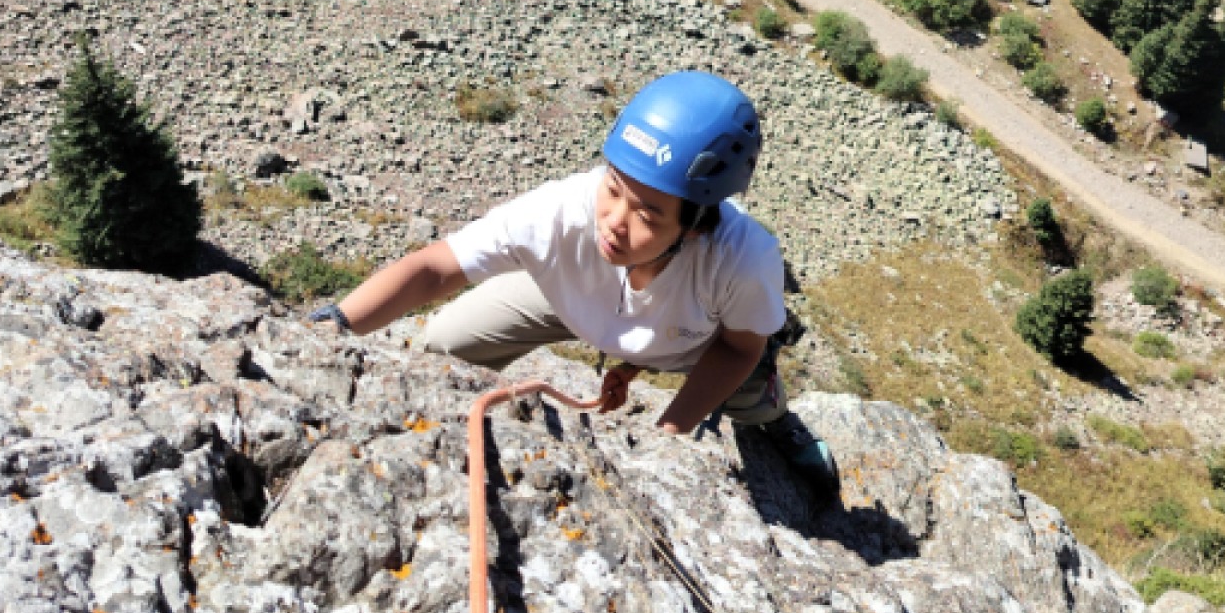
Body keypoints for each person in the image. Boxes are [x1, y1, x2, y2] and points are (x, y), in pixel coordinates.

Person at [308, 71, 839, 493]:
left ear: (697, 224)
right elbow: (435, 268)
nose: (613, 220)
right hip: (567, 297)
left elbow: (739, 348)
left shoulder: (743, 260)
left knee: (754, 402)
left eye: (648, 215)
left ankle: (777, 420)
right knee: (447, 340)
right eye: (613, 187)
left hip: (696, 340)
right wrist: (337, 324)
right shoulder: (563, 211)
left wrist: (668, 436)